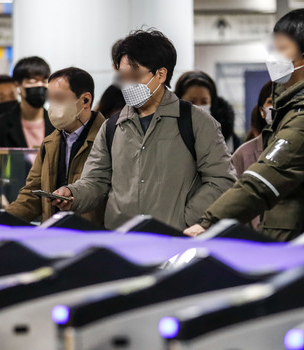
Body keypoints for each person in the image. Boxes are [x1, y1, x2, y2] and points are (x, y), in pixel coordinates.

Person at [184, 8, 304, 244]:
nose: (273, 57)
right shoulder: (298, 107)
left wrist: (209, 223)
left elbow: (264, 180)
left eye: (282, 49)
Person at [50, 29, 234, 230]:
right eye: (123, 76)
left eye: (135, 76)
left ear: (161, 74)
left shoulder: (196, 122)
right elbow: (96, 180)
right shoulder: (112, 127)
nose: (128, 84)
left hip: (175, 241)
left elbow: (221, 180)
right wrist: (73, 194)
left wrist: (186, 219)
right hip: (123, 242)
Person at [6, 67, 105, 224]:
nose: (53, 107)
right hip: (55, 234)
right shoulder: (49, 143)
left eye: (59, 99)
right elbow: (32, 195)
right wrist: (1, 220)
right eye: (50, 99)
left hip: (92, 235)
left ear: (85, 100)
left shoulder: (109, 137)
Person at [0, 56, 54, 148]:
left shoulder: (59, 127)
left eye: (44, 81)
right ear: (17, 85)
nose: (39, 85)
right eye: (32, 81)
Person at [230, 81, 274, 230]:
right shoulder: (243, 154)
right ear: (262, 111)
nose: (276, 106)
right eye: (271, 102)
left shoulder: (303, 147)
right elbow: (233, 203)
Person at [175, 70, 241, 152]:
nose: (198, 107)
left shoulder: (227, 139)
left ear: (212, 104)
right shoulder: (165, 132)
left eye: (204, 102)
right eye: (192, 101)